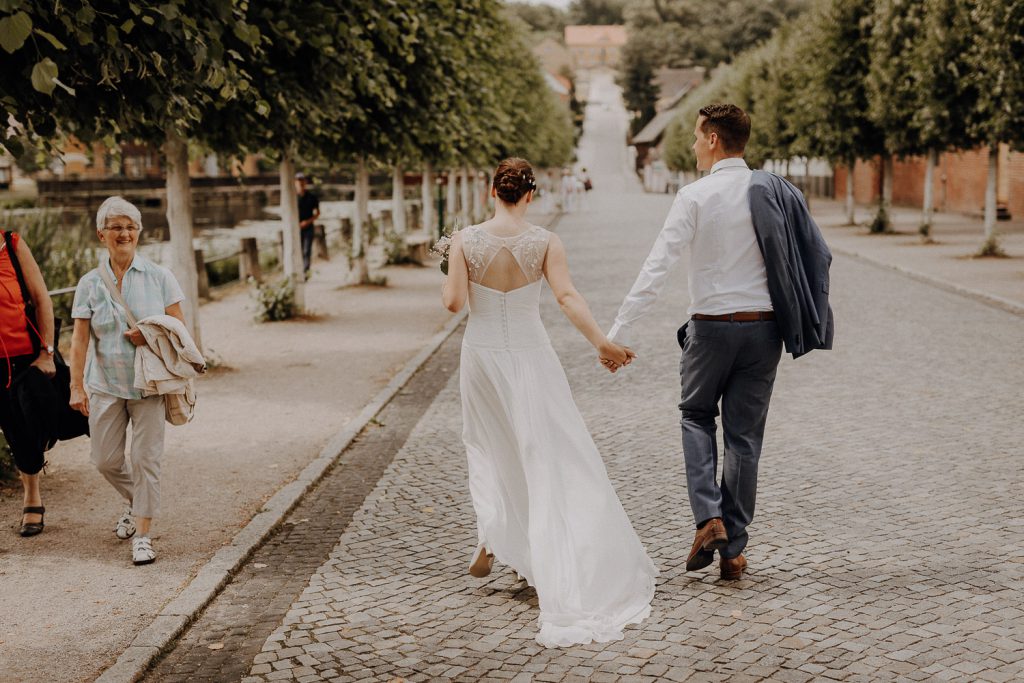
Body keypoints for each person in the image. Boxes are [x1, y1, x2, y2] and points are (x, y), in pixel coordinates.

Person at [608, 103, 832, 582]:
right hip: (764, 330)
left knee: (695, 416)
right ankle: (732, 548)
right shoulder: (772, 191)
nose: (691, 146)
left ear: (712, 139)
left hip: (709, 328)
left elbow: (658, 267)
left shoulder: (695, 196)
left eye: (694, 137)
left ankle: (708, 518)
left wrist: (617, 333)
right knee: (744, 438)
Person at [442, 157, 657, 648]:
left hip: (481, 356)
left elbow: (454, 303)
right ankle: (532, 544)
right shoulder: (544, 242)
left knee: (489, 443)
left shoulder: (463, 240)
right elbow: (566, 297)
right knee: (545, 450)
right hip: (530, 354)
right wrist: (602, 342)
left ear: (491, 192)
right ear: (530, 196)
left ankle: (492, 533)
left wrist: (449, 271)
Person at [69, 196, 187, 566]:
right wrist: (76, 386)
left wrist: (150, 335)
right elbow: (79, 339)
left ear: (139, 232)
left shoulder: (160, 276)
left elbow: (181, 331)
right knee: (104, 460)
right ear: (101, 234)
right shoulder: (89, 284)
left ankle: (143, 533)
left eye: (131, 227)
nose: (124, 233)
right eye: (117, 227)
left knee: (146, 459)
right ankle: (136, 503)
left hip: (149, 385)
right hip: (105, 384)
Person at [0, 230, 57, 536]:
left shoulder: (12, 244)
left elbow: (41, 298)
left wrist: (47, 353)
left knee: (30, 423)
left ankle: (33, 486)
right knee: (12, 427)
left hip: (25, 358)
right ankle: (31, 493)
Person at [295, 172, 320, 277]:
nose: (300, 182)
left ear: (305, 182)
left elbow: (317, 213)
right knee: (298, 250)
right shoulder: (292, 197)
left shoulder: (312, 197)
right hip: (296, 228)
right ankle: (298, 270)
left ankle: (305, 271)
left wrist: (307, 222)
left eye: (302, 180)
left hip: (308, 227)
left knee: (306, 250)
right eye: (298, 180)